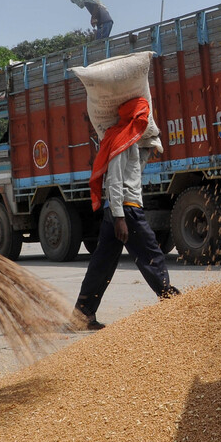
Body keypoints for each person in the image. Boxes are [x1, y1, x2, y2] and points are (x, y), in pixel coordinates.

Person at [72, 95, 180, 330]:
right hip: (126, 211)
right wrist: (120, 217)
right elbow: (114, 180)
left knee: (103, 263)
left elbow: (133, 168)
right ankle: (172, 302)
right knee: (152, 254)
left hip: (118, 212)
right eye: (143, 116)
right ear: (136, 117)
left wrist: (151, 146)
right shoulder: (122, 140)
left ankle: (82, 314)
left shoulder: (128, 140)